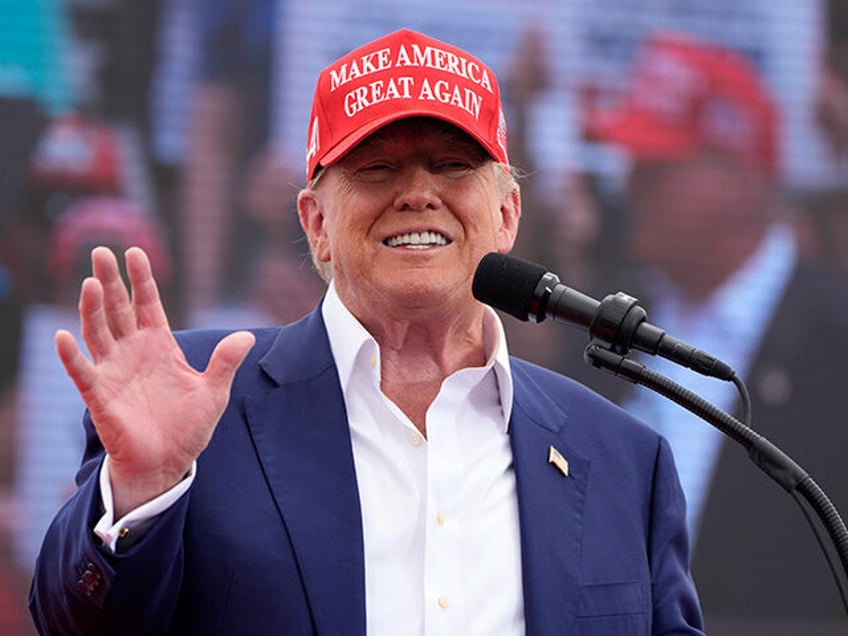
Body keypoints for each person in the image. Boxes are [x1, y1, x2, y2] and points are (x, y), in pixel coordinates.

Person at [29, 29, 704, 634]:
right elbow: (71, 621)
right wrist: (144, 491)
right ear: (316, 223)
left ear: (506, 215)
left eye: (451, 164)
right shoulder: (200, 396)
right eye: (377, 167)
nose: (416, 192)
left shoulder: (623, 458)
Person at [585, 31, 848, 631]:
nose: (632, 186)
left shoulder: (836, 348)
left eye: (657, 165)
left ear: (740, 173)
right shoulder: (605, 322)